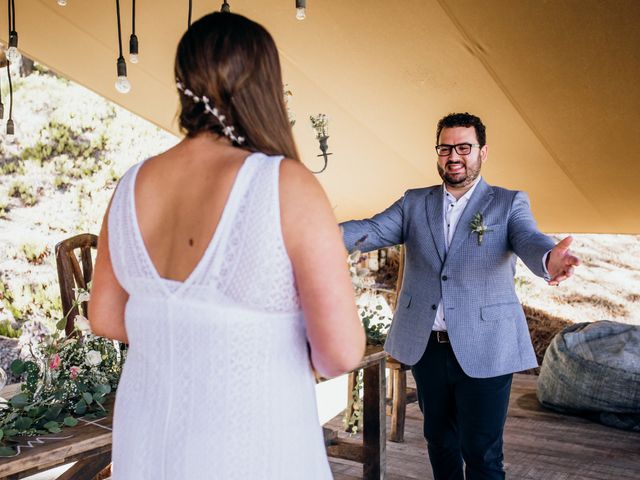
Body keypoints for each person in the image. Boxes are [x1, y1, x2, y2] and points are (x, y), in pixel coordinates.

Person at [89, 12, 365, 479]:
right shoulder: (284, 184)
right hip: (250, 446)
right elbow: (340, 352)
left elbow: (105, 317)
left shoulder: (131, 185)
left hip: (147, 444)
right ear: (264, 85)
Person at [341, 112, 580, 480]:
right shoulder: (414, 202)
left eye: (464, 147)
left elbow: (529, 238)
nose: (454, 156)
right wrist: (315, 230)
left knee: (482, 452)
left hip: (486, 345)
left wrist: (550, 258)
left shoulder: (508, 202)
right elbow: (371, 230)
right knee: (439, 442)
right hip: (428, 346)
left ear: (482, 152)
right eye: (445, 148)